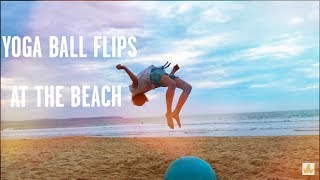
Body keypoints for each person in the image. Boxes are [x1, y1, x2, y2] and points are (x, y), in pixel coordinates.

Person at [116, 62, 192, 129]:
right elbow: (167, 81)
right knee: (183, 87)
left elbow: (135, 80)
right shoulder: (147, 87)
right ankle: (171, 113)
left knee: (187, 87)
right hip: (155, 74)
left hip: (153, 74)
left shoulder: (135, 90)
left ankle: (174, 113)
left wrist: (124, 67)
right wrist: (173, 71)